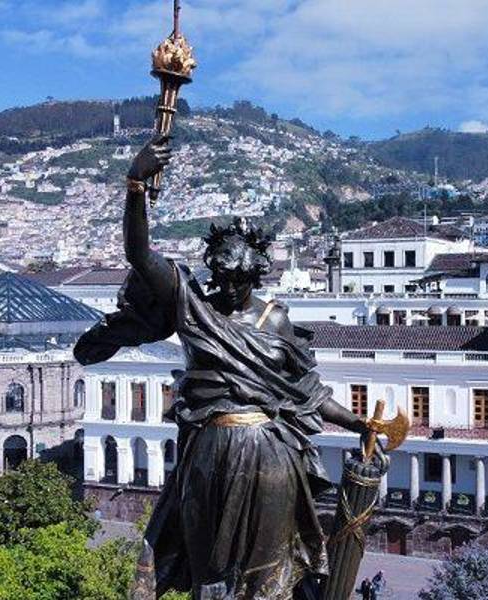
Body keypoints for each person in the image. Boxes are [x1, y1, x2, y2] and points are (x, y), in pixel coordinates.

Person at [75, 134, 384, 600]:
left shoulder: (273, 319)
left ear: (256, 274)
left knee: (267, 573)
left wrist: (361, 424)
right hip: (210, 452)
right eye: (221, 276)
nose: (229, 287)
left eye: (239, 279)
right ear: (213, 271)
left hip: (267, 452)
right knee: (210, 572)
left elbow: (307, 392)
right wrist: (135, 183)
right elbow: (140, 255)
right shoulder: (192, 305)